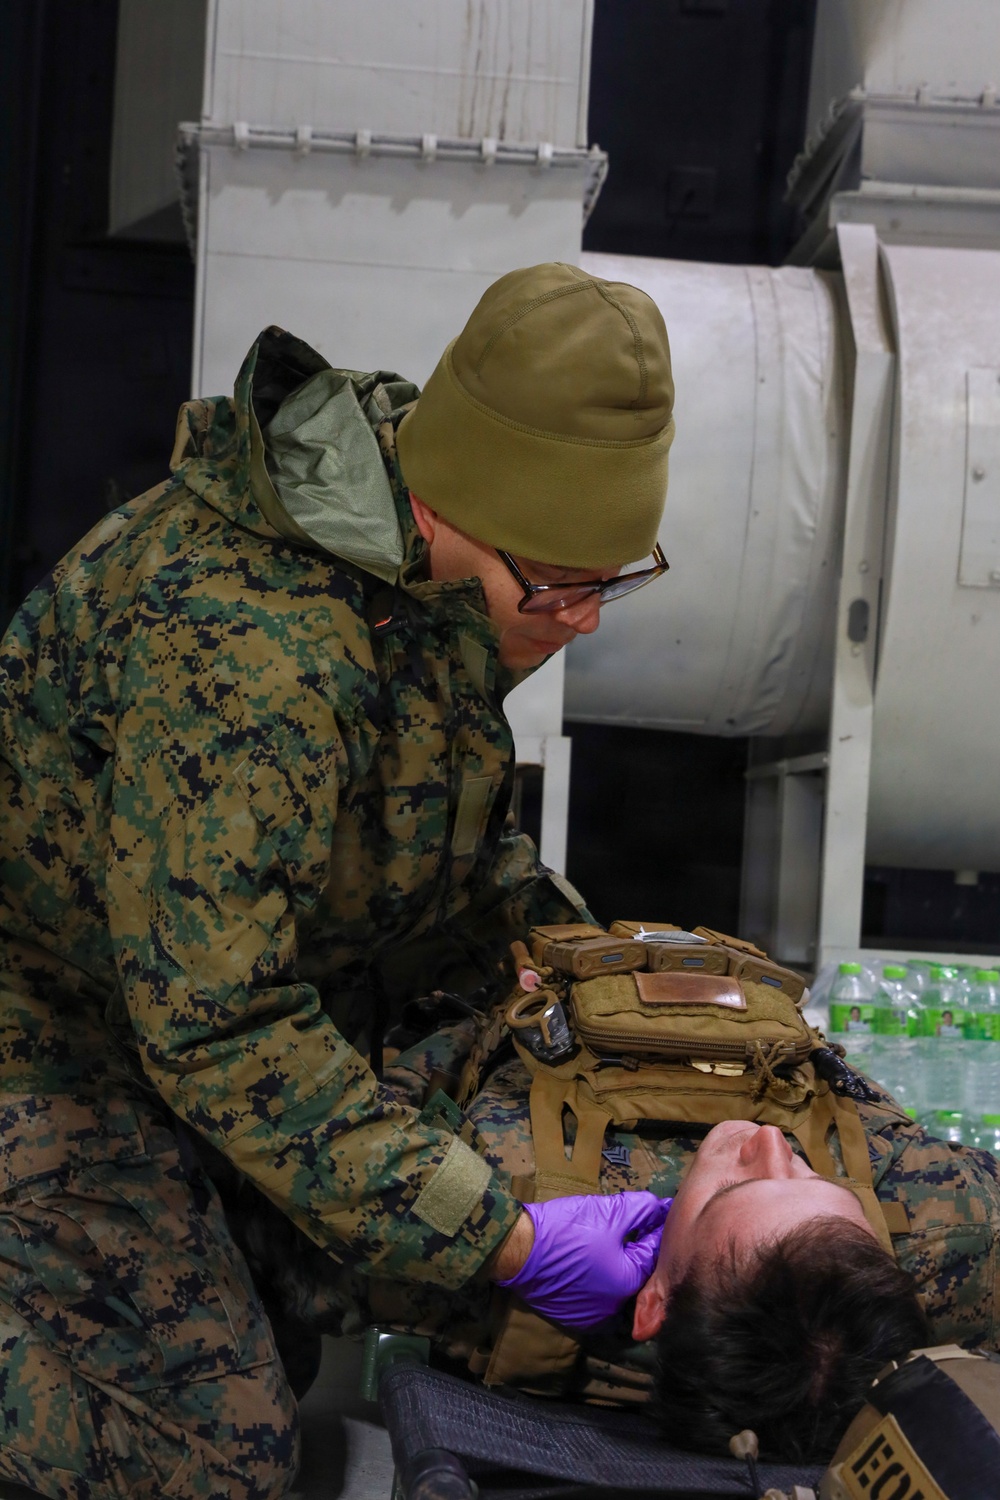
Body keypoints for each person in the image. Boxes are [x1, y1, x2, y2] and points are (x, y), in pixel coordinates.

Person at [0, 263, 676, 1498]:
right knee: (208, 1448)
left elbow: (449, 860)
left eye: (612, 582)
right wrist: (505, 1234)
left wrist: (616, 984)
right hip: (48, 1024)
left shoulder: (415, 583)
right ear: (458, 506)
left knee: (317, 1280)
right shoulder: (250, 657)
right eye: (561, 586)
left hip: (183, 1001)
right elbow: (215, 1025)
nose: (582, 621)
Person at [235, 1019, 997, 1461]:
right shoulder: (959, 1228)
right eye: (809, 1172)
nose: (769, 1140)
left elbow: (283, 1167)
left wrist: (498, 1240)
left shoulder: (479, 1184)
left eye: (734, 1189)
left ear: (654, 1301)